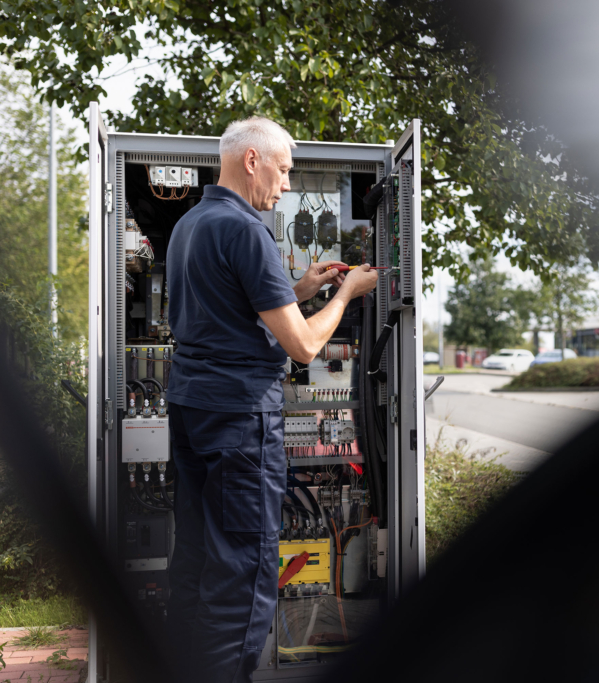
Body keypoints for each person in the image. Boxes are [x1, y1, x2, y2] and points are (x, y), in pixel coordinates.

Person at [163, 116, 378, 683]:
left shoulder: (192, 224)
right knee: (243, 574)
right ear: (252, 160)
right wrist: (349, 292)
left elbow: (229, 310)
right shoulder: (246, 229)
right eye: (282, 171)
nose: (284, 186)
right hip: (238, 421)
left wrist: (304, 288)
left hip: (192, 409)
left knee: (198, 560)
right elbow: (305, 347)